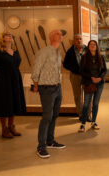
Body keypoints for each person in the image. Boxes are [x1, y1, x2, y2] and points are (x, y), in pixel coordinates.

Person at [32, 29, 66, 159]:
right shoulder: (44, 51)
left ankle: (50, 141)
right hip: (46, 88)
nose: (61, 35)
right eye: (58, 33)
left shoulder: (58, 52)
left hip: (57, 87)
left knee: (54, 115)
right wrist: (35, 84)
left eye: (61, 34)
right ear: (51, 36)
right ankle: (41, 147)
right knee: (47, 117)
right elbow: (36, 68)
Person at [0, 31, 26, 138]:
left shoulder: (15, 51)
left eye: (10, 36)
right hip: (2, 80)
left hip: (15, 79)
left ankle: (11, 126)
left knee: (13, 102)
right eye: (7, 35)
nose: (9, 37)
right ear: (2, 38)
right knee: (4, 103)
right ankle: (4, 129)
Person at [78, 40, 107, 132]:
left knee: (95, 103)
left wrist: (100, 78)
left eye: (94, 44)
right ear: (88, 46)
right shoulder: (84, 57)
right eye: (91, 44)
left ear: (97, 46)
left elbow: (104, 70)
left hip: (99, 83)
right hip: (88, 83)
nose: (93, 46)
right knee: (86, 104)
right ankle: (82, 124)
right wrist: (91, 78)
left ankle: (94, 122)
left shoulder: (101, 57)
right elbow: (81, 71)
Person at [63, 34, 91, 122]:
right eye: (77, 39)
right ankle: (81, 114)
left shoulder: (88, 50)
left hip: (86, 76)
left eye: (80, 39)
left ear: (82, 40)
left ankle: (88, 114)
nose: (79, 40)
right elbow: (65, 64)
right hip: (75, 76)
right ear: (74, 41)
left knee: (88, 95)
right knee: (77, 96)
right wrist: (73, 69)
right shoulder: (70, 51)